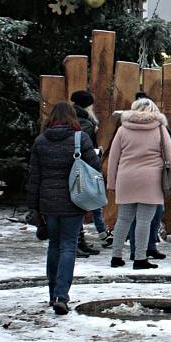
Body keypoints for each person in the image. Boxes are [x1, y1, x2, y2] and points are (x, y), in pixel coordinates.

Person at [26, 101, 101, 315]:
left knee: (54, 246)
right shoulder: (81, 138)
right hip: (74, 199)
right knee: (69, 246)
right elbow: (94, 167)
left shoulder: (41, 141)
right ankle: (62, 295)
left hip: (48, 201)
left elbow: (34, 176)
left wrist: (34, 206)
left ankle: (52, 295)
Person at [107, 98, 171, 270]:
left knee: (123, 219)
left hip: (126, 179)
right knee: (144, 221)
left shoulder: (123, 129)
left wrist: (111, 182)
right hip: (151, 180)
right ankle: (140, 258)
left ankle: (116, 257)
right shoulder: (160, 129)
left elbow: (113, 158)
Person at [69, 90, 107, 253]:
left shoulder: (68, 118)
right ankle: (78, 242)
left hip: (69, 168)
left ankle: (80, 240)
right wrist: (98, 153)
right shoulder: (86, 123)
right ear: (88, 106)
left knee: (76, 205)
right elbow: (87, 149)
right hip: (80, 169)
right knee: (82, 204)